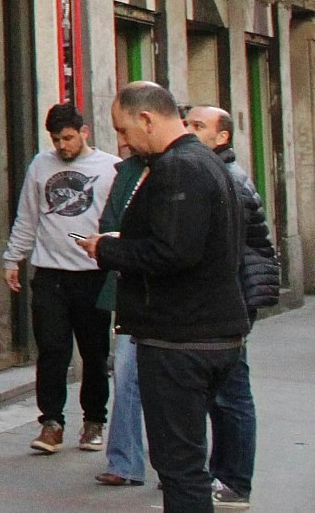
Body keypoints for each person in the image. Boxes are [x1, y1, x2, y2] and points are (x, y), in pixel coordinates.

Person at [82, 83, 247, 513]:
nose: (122, 142)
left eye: (123, 129)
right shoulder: (206, 164)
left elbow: (174, 251)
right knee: (186, 465)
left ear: (147, 120)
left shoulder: (179, 168)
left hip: (181, 339)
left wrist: (107, 249)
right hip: (206, 333)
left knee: (181, 468)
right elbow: (188, 241)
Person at [3, 102, 119, 453]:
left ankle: (94, 421)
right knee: (52, 350)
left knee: (94, 353)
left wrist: (114, 253)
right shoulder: (41, 165)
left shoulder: (110, 167)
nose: (62, 146)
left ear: (83, 133)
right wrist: (13, 258)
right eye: (56, 140)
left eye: (68, 138)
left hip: (93, 274)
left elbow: (118, 221)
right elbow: (28, 216)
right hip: (51, 274)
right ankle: (51, 422)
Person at [183, 105, 280, 510]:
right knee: (223, 392)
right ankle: (224, 475)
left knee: (230, 393)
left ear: (222, 137)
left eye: (197, 126)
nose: (188, 131)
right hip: (231, 297)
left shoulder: (227, 180)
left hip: (233, 299)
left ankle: (235, 481)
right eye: (186, 123)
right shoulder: (216, 173)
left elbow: (231, 248)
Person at [93, 141, 149, 487]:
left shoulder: (183, 171)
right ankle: (125, 460)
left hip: (173, 298)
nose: (124, 140)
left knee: (172, 383)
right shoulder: (126, 172)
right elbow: (109, 219)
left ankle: (177, 461)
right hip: (130, 290)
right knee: (126, 374)